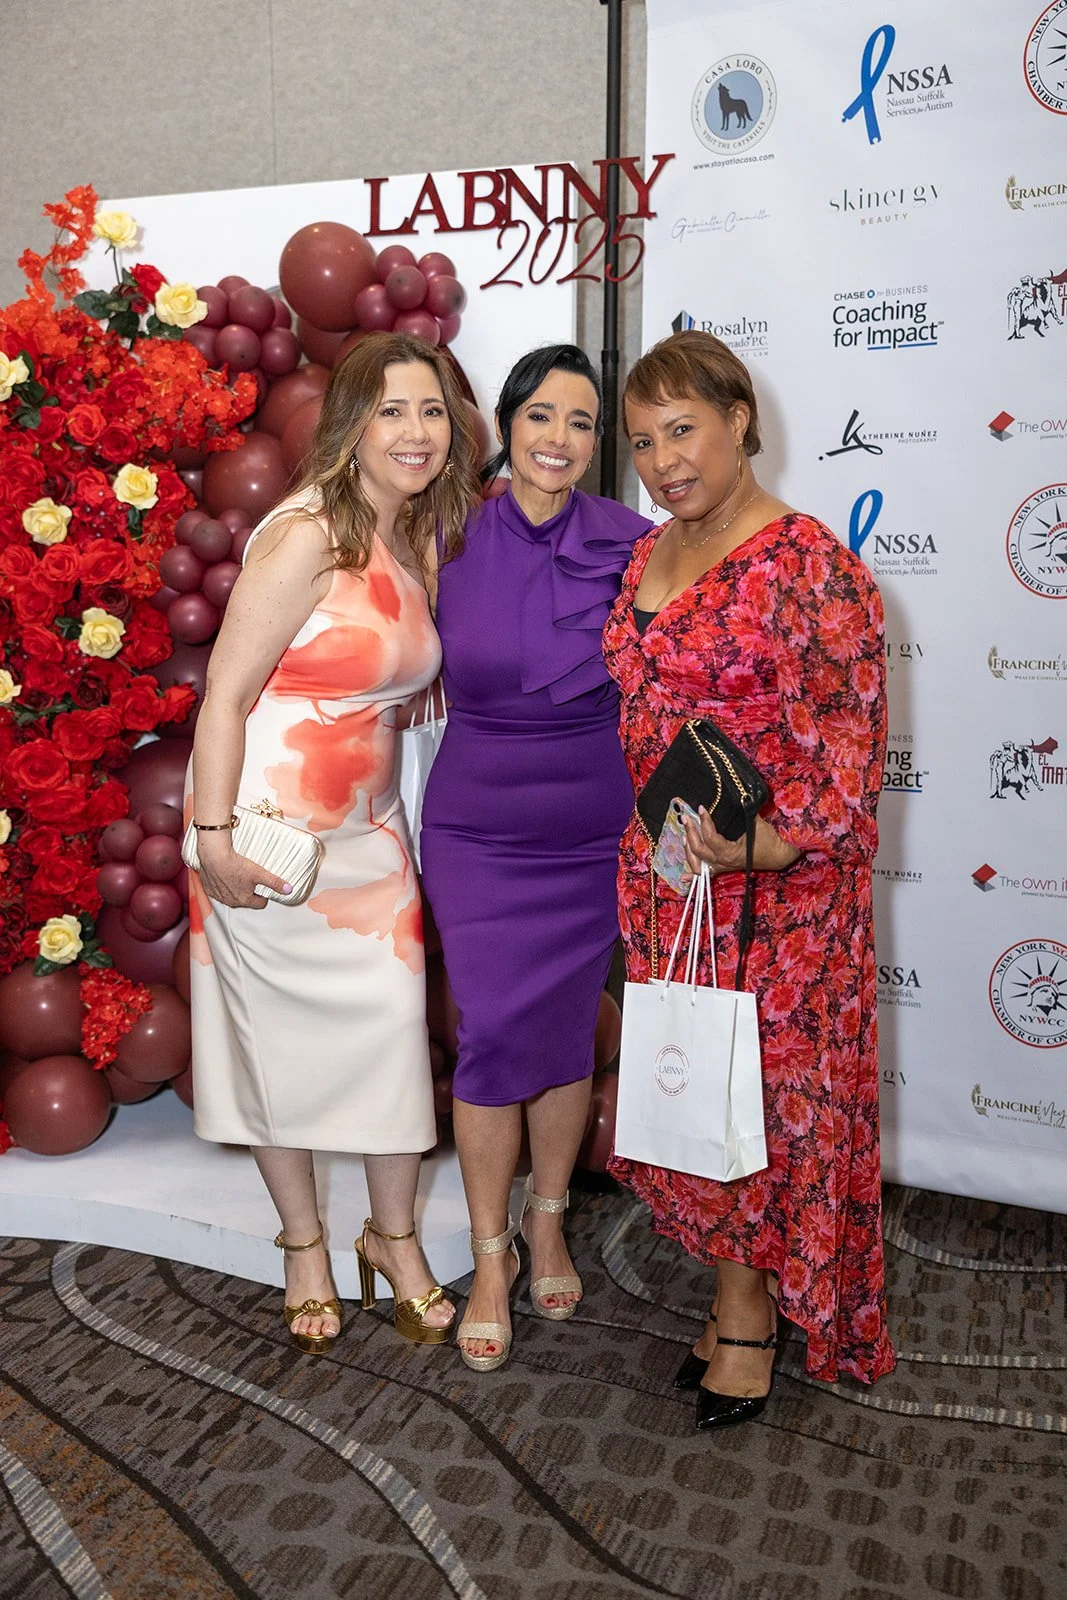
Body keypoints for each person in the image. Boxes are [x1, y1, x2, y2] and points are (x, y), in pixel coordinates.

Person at [604, 329, 894, 1428]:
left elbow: (848, 756)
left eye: (683, 430)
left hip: (775, 903)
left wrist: (759, 848)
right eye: (642, 441)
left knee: (760, 1107)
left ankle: (745, 1318)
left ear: (738, 420)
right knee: (699, 1092)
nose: (663, 461)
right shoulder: (649, 551)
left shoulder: (807, 563)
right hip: (671, 883)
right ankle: (738, 1288)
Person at [187, 332, 481, 1354]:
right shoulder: (305, 533)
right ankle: (304, 1243)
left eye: (431, 409)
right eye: (391, 409)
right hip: (264, 832)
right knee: (274, 1049)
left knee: (391, 1041)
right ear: (352, 425)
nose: (415, 431)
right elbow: (223, 696)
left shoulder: (413, 535)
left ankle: (390, 1238)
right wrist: (213, 838)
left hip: (368, 836)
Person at [420, 344, 650, 1371]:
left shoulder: (634, 542)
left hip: (590, 826)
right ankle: (488, 1256)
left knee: (561, 1029)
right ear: (505, 425)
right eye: (540, 416)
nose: (559, 438)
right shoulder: (442, 530)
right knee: (489, 1033)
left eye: (581, 421)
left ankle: (546, 1221)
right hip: (476, 826)